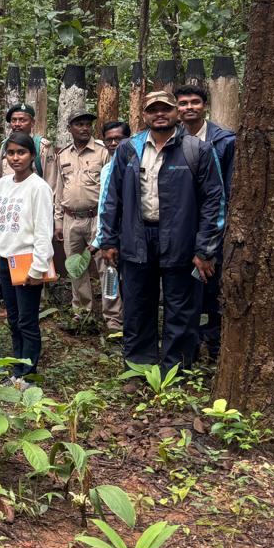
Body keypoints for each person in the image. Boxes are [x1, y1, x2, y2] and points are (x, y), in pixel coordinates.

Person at [98, 91, 223, 374]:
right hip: (137, 238)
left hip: (181, 239)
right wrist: (108, 239)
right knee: (138, 306)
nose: (159, 114)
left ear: (175, 112)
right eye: (152, 109)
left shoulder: (197, 150)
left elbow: (214, 201)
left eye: (165, 108)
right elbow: (112, 197)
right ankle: (139, 368)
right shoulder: (129, 149)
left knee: (181, 308)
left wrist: (205, 249)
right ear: (144, 115)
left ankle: (174, 372)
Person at [0, 133, 55, 381]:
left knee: (27, 321)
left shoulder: (39, 188)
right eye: (11, 153)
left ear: (32, 155)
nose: (16, 158)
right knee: (13, 320)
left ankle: (29, 373)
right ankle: (17, 369)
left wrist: (38, 268)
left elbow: (44, 231)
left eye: (21, 152)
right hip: (6, 261)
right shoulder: (1, 185)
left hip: (27, 262)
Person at [175, 82, 236, 360]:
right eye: (184, 103)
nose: (189, 108)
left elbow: (229, 187)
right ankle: (190, 344)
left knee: (213, 284)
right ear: (177, 108)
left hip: (215, 225)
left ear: (205, 106)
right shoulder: (171, 139)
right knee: (185, 286)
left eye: (195, 102)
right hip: (181, 224)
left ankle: (214, 344)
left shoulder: (225, 141)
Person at [49, 109, 114, 331]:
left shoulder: (102, 152)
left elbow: (110, 187)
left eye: (87, 124)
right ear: (69, 129)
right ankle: (82, 314)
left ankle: (113, 318)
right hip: (71, 219)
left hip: (97, 218)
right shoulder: (63, 155)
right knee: (76, 268)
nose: (84, 128)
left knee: (107, 268)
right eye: (79, 124)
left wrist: (110, 223)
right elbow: (59, 188)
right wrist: (58, 221)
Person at [0, 103, 52, 177]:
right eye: (14, 120)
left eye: (22, 120)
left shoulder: (42, 147)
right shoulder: (5, 145)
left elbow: (51, 179)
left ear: (32, 123)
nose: (17, 124)